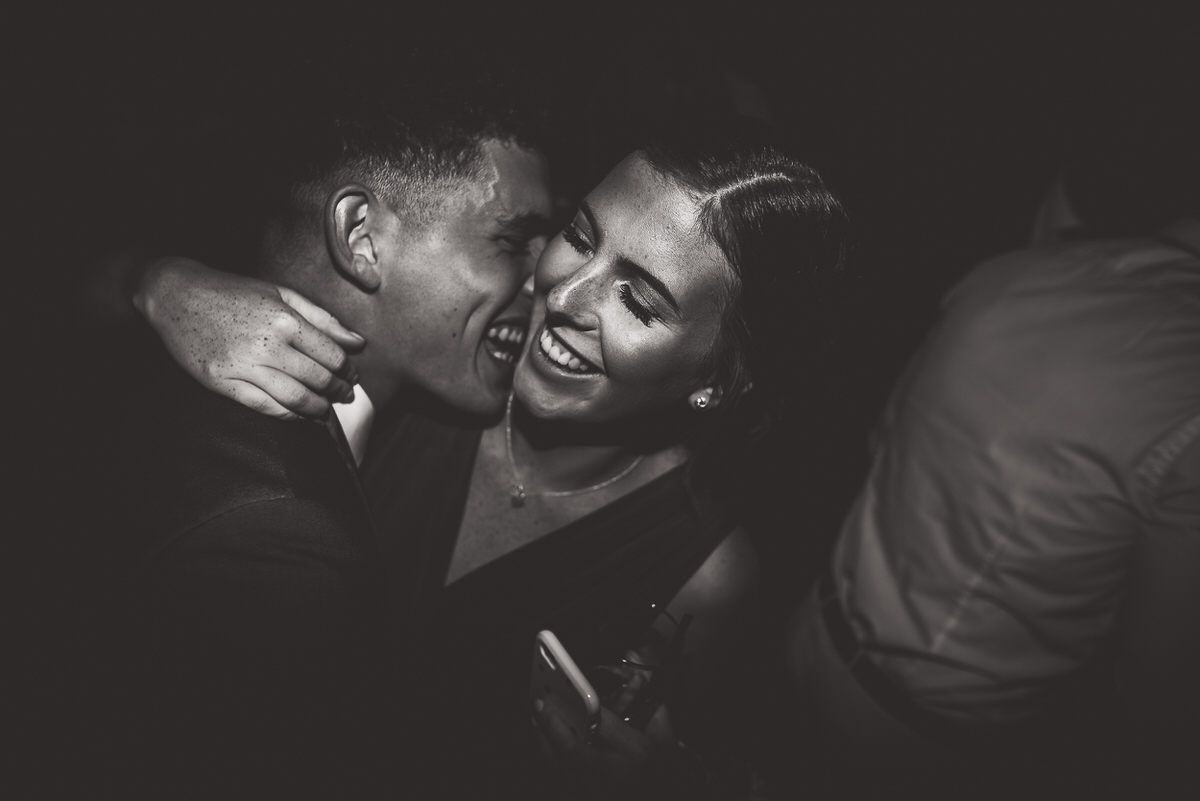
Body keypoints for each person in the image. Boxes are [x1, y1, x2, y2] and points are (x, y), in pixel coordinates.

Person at [135, 119, 850, 798]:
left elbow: (714, 752)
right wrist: (160, 284)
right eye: (579, 236)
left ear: (716, 380)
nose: (562, 293)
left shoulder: (709, 576)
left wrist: (662, 781)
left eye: (637, 299)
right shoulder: (449, 362)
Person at [85, 92, 554, 797]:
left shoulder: (161, 372)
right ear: (362, 237)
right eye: (513, 242)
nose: (548, 281)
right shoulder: (287, 545)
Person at [785, 108, 1200, 794]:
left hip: (807, 629)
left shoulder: (1011, 273)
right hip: (914, 748)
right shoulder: (1186, 391)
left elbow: (878, 441)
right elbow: (1157, 688)